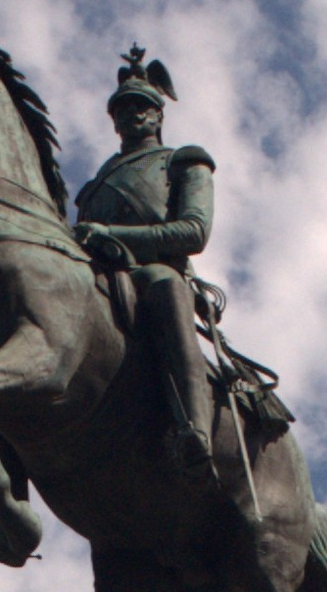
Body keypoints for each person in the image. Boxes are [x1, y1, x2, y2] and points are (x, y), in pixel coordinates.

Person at [73, 48, 221, 478]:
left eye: (141, 106)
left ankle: (195, 428)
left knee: (164, 286)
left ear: (158, 115)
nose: (130, 115)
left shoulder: (183, 161)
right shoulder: (91, 189)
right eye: (122, 109)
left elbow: (193, 232)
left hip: (153, 273)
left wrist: (113, 236)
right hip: (95, 275)